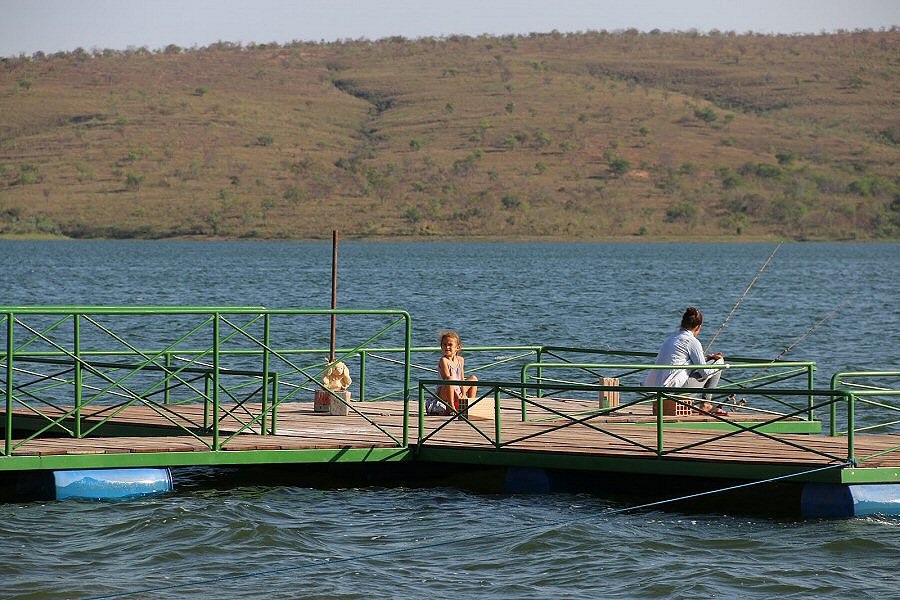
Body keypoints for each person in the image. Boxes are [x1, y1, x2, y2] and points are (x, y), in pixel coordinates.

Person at [645, 307, 727, 415]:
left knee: (710, 363)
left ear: (682, 323)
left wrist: (707, 358)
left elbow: (682, 360)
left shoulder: (671, 338)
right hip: (673, 390)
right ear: (698, 327)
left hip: (657, 389)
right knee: (717, 366)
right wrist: (720, 363)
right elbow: (705, 372)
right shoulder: (692, 341)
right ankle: (705, 404)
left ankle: (692, 403)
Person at [426, 330, 478, 416]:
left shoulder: (460, 360)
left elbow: (461, 378)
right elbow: (446, 380)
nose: (447, 347)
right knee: (450, 378)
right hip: (445, 391)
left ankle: (469, 405)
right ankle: (451, 407)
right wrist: (458, 397)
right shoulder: (443, 360)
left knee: (473, 378)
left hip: (458, 389)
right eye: (444, 345)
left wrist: (464, 394)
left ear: (457, 347)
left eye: (450, 345)